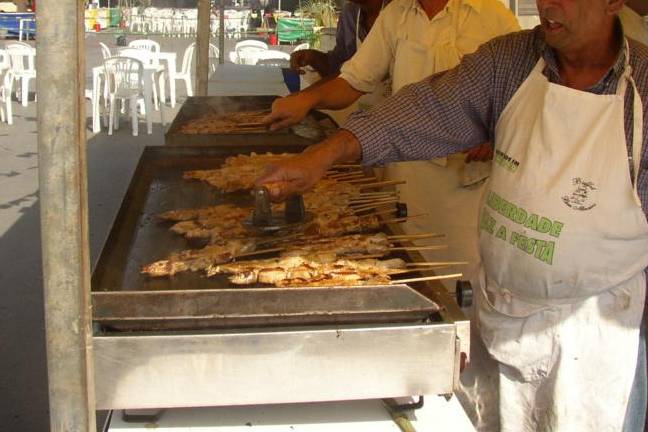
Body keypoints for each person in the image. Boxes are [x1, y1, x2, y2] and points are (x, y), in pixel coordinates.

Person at [257, 0, 648, 430]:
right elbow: (426, 108)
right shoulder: (511, 60)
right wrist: (325, 154)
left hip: (593, 335)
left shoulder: (643, 86)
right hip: (500, 310)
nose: (547, 5)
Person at [265, 0, 520, 299]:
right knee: (407, 275)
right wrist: (308, 99)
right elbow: (354, 80)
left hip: (464, 186)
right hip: (406, 173)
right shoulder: (397, 14)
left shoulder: (491, 14)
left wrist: (496, 132)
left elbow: (520, 94)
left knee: (460, 284)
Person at [290, 0, 387, 78]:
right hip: (363, 101)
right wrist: (313, 57)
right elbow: (337, 67)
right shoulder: (350, 14)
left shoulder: (398, 12)